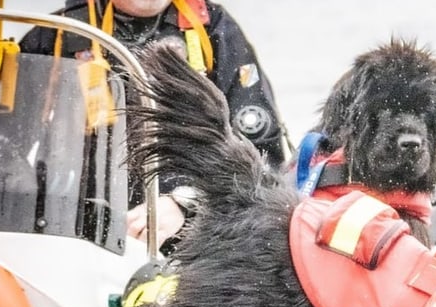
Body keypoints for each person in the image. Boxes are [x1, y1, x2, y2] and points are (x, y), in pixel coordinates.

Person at [19, 0, 291, 250]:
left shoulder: (215, 30)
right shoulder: (55, 35)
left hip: (190, 238)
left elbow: (262, 160)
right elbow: (2, 156)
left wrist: (187, 203)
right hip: (75, 233)